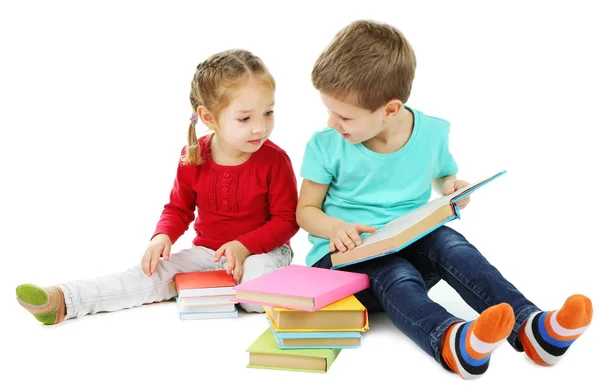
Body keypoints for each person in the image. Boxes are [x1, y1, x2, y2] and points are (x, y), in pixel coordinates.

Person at [296, 20, 592, 379]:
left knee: (453, 245)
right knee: (396, 271)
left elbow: (443, 175)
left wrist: (453, 187)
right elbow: (306, 211)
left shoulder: (432, 132)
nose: (332, 122)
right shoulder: (326, 145)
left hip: (408, 244)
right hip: (344, 265)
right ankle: (451, 340)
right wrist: (336, 227)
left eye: (343, 116)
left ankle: (532, 328)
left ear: (389, 110)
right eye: (329, 111)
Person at [17, 49, 299, 324]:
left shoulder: (275, 160)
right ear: (208, 117)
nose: (260, 128)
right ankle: (66, 300)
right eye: (245, 118)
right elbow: (178, 208)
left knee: (253, 299)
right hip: (208, 253)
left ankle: (220, 286)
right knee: (148, 274)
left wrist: (243, 246)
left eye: (268, 112)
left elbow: (287, 221)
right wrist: (162, 236)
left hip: (263, 252)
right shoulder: (194, 156)